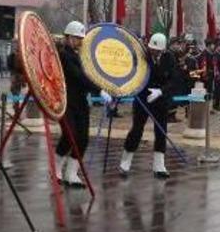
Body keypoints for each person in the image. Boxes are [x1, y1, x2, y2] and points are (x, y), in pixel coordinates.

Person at [56, 21, 112, 187]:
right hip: (66, 102)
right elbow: (78, 76)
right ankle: (57, 168)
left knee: (83, 138)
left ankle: (71, 173)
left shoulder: (78, 55)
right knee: (69, 134)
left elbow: (86, 76)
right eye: (76, 38)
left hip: (81, 102)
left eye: (81, 39)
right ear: (68, 37)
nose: (79, 42)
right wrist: (99, 90)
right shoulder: (64, 55)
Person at [120, 33, 179, 178]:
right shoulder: (142, 56)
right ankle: (126, 160)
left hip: (160, 98)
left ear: (163, 50)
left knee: (161, 131)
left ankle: (159, 165)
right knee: (137, 130)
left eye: (158, 51)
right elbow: (133, 74)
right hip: (142, 98)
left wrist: (161, 91)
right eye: (153, 49)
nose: (155, 53)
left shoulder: (169, 58)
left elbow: (174, 80)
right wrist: (134, 88)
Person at [198, 39, 220, 110]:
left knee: (210, 91)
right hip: (205, 76)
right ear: (209, 45)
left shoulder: (213, 53)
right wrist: (205, 74)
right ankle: (204, 107)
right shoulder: (204, 54)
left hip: (211, 75)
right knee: (205, 91)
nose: (213, 46)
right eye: (212, 44)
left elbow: (215, 65)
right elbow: (203, 65)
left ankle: (209, 107)